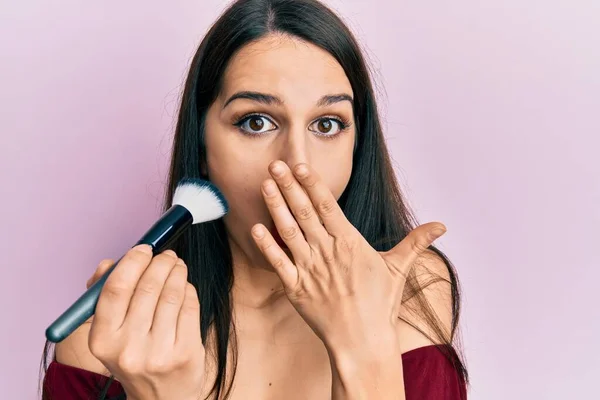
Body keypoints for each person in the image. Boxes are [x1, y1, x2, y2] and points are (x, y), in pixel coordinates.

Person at [40, 0, 468, 398]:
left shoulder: (413, 289)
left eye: (327, 124)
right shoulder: (106, 339)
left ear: (359, 143)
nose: (298, 168)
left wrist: (365, 350)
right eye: (256, 122)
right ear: (202, 146)